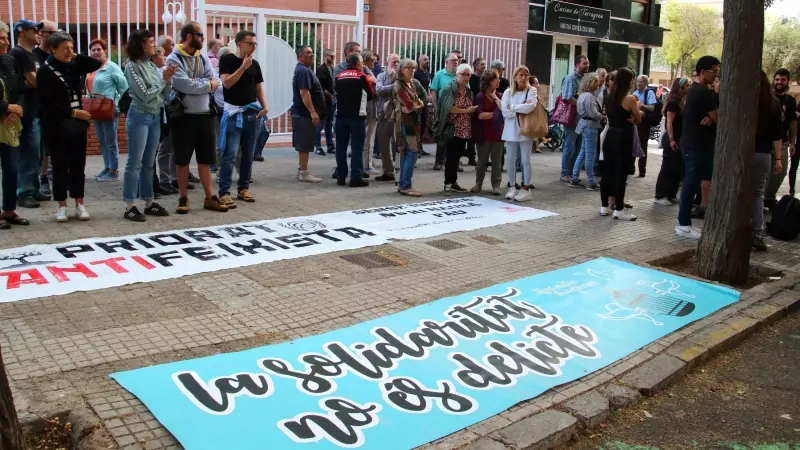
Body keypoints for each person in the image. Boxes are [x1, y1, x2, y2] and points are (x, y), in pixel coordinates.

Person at [37, 31, 101, 222]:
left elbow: (96, 64)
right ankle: (62, 206)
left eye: (71, 48)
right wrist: (74, 112)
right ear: (53, 49)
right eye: (65, 48)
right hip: (56, 125)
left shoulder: (72, 66)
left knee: (78, 165)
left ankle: (79, 203)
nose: (69, 52)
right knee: (59, 166)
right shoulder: (44, 72)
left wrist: (74, 56)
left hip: (76, 125)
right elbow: (48, 103)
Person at [166, 21, 227, 214]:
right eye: (200, 35)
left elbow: (215, 78)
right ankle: (183, 197)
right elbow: (184, 85)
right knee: (182, 159)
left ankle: (210, 197)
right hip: (183, 116)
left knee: (205, 158)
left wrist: (204, 83)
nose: (203, 38)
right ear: (190, 36)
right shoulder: (173, 58)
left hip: (205, 115)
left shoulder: (202, 57)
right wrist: (207, 84)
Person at [122, 29, 173, 222]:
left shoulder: (151, 66)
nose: (154, 45)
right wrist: (164, 80)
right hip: (139, 116)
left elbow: (162, 95)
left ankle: (149, 202)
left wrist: (167, 82)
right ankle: (130, 205)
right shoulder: (131, 67)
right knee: (134, 162)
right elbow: (144, 94)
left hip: (154, 116)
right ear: (141, 44)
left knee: (148, 163)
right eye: (151, 42)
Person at [217, 30, 268, 209]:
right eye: (250, 43)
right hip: (233, 114)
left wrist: (265, 106)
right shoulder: (227, 60)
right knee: (230, 154)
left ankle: (243, 188)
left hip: (251, 113)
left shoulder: (255, 64)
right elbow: (227, 83)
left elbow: (258, 87)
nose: (253, 47)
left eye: (255, 44)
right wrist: (243, 67)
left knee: (248, 154)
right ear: (240, 44)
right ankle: (224, 192)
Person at [675, 56, 721, 239]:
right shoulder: (701, 92)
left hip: (696, 143)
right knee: (691, 183)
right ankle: (683, 223)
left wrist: (711, 117)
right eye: (714, 71)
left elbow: (713, 116)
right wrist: (713, 116)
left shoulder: (699, 91)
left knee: (694, 182)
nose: (716, 75)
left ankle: (684, 222)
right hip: (695, 145)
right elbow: (718, 116)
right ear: (703, 72)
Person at [10, 19, 46, 208]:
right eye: (34, 30)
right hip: (26, 111)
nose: (38, 33)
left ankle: (33, 188)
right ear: (22, 32)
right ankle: (24, 192)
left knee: (37, 151)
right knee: (28, 151)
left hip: (36, 108)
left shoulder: (33, 55)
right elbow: (34, 80)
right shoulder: (19, 53)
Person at [600, 67, 641, 221]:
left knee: (607, 172)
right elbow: (638, 118)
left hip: (610, 135)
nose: (633, 82)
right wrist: (637, 115)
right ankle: (619, 208)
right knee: (621, 173)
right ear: (628, 81)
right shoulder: (629, 99)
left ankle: (604, 206)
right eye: (632, 79)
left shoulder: (608, 95)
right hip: (623, 137)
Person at [0, 20, 28, 228]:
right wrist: (5, 108)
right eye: (1, 38)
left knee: (11, 169)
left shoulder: (9, 60)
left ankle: (9, 210)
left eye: (6, 37)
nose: (5, 41)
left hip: (10, 124)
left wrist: (17, 108)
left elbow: (21, 88)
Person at [87, 38, 128, 182]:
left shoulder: (112, 67)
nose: (96, 52)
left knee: (110, 141)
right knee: (102, 140)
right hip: (96, 109)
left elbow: (124, 87)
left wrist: (117, 104)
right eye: (93, 50)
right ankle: (107, 167)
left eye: (99, 49)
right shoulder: (92, 68)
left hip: (109, 109)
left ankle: (113, 170)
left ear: (105, 51)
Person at [752, 70, 783, 251]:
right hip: (763, 154)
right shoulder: (773, 104)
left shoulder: (744, 102)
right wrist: (778, 158)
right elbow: (777, 136)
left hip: (742, 153)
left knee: (739, 191)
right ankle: (756, 231)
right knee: (757, 194)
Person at [434, 63, 475, 195]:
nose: (466, 77)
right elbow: (447, 108)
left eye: (468, 75)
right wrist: (465, 110)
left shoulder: (468, 90)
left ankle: (454, 182)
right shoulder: (449, 89)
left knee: (457, 158)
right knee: (450, 158)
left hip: (464, 128)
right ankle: (447, 184)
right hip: (452, 128)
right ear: (457, 74)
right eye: (463, 74)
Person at [333, 53, 372, 187]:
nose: (363, 66)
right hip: (357, 118)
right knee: (356, 148)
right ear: (356, 64)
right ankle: (355, 177)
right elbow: (370, 95)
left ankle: (341, 177)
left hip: (340, 117)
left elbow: (336, 92)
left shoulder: (338, 76)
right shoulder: (362, 77)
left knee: (340, 148)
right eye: (361, 63)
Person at [501, 65, 537, 202]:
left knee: (525, 160)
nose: (523, 78)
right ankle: (511, 186)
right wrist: (520, 109)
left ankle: (526, 189)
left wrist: (514, 107)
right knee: (510, 159)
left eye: (526, 75)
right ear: (515, 77)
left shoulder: (531, 90)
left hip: (525, 129)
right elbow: (505, 112)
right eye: (520, 75)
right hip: (510, 129)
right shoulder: (508, 92)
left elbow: (530, 107)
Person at [292, 45, 325, 183]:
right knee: (304, 143)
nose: (311, 55)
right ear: (300, 56)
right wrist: (313, 112)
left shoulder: (304, 70)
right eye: (308, 53)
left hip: (303, 113)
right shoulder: (304, 71)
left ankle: (302, 169)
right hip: (304, 114)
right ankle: (304, 173)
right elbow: (304, 92)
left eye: (312, 52)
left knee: (304, 142)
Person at [654, 77, 690, 205]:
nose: (688, 88)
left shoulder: (681, 102)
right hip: (673, 137)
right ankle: (661, 195)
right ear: (680, 88)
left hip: (680, 138)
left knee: (677, 167)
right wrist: (671, 139)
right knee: (668, 167)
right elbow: (669, 122)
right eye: (686, 86)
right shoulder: (673, 102)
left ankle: (671, 194)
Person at [393, 57, 425, 197]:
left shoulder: (411, 83)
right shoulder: (398, 85)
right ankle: (406, 185)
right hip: (406, 124)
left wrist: (418, 104)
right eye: (409, 68)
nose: (412, 70)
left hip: (412, 121)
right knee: (412, 152)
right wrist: (418, 105)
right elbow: (410, 104)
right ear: (401, 69)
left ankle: (403, 183)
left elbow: (419, 101)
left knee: (409, 153)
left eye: (413, 68)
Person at [33, 19, 58, 200]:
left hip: (54, 109)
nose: (56, 36)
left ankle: (47, 179)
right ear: (42, 34)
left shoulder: (56, 56)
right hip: (36, 109)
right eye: (52, 33)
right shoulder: (32, 56)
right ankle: (39, 181)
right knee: (37, 149)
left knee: (50, 148)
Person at [765, 68, 797, 202]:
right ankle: (761, 198)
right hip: (765, 141)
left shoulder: (790, 100)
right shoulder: (766, 97)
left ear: (788, 81)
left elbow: (793, 122)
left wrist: (792, 142)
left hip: (783, 141)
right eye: (777, 79)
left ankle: (769, 197)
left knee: (780, 172)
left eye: (783, 80)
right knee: (764, 172)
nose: (779, 82)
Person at [471, 69, 504, 195]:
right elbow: (480, 115)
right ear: (490, 82)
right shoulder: (480, 96)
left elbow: (503, 112)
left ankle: (496, 186)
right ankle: (478, 184)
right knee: (481, 161)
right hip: (483, 133)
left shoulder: (500, 96)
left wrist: (495, 98)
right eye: (497, 78)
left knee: (497, 162)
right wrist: (496, 114)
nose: (499, 81)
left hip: (498, 134)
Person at [560, 55, 590, 183]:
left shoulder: (584, 78)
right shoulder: (571, 78)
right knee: (569, 146)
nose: (587, 66)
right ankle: (565, 173)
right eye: (585, 63)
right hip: (572, 118)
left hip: (581, 118)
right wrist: (582, 105)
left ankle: (572, 173)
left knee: (578, 146)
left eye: (588, 63)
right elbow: (567, 97)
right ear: (577, 64)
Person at [570, 72, 602, 190]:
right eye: (596, 81)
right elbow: (592, 113)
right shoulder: (588, 96)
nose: (598, 84)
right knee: (590, 155)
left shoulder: (582, 95)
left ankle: (574, 177)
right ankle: (590, 181)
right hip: (590, 126)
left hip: (584, 125)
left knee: (583, 152)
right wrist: (602, 116)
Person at [430, 53, 460, 171]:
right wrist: (436, 107)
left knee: (455, 138)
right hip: (442, 110)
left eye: (457, 61)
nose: (456, 62)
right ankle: (439, 161)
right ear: (446, 62)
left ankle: (454, 162)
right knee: (442, 137)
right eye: (453, 60)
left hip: (457, 111)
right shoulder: (439, 74)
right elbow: (433, 91)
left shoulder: (460, 75)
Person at [374, 53, 401, 182]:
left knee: (400, 145)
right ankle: (388, 172)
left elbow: (401, 91)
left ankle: (401, 172)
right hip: (383, 115)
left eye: (398, 61)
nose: (396, 63)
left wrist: (394, 82)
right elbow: (378, 90)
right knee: (384, 145)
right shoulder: (380, 76)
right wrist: (392, 83)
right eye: (394, 61)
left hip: (398, 116)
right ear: (387, 61)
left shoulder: (402, 77)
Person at [633, 74, 657, 177]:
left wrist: (641, 105)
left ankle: (642, 170)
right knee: (633, 143)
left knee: (643, 145)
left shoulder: (649, 92)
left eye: (641, 81)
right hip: (635, 121)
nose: (638, 83)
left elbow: (652, 108)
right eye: (637, 81)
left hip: (644, 122)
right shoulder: (635, 93)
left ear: (645, 82)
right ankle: (631, 168)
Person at [314, 48, 336, 156]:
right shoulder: (320, 69)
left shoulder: (332, 68)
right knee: (320, 125)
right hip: (323, 102)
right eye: (331, 56)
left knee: (329, 125)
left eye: (334, 56)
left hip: (331, 101)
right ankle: (317, 146)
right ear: (325, 56)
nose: (333, 58)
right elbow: (321, 87)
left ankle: (330, 146)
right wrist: (330, 96)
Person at [362, 49, 379, 173]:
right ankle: (367, 164)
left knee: (368, 136)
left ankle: (368, 161)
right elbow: (375, 83)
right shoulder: (366, 72)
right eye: (373, 60)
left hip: (369, 107)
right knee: (369, 137)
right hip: (370, 107)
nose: (375, 62)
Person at [414, 54, 432, 144]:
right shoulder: (416, 73)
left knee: (423, 124)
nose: (427, 61)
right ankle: (416, 146)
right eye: (425, 59)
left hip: (425, 103)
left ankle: (420, 145)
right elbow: (413, 88)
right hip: (417, 103)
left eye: (428, 59)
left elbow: (427, 87)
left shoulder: (428, 74)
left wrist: (429, 95)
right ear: (419, 62)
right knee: (418, 124)